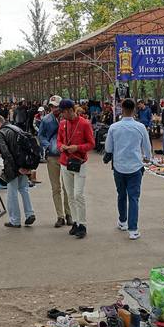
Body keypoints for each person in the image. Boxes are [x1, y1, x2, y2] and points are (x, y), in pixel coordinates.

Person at [104, 98, 152, 240]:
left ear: (121, 109)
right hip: (135, 167)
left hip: (119, 167)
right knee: (134, 198)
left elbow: (108, 148)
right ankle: (133, 229)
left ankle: (122, 221)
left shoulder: (114, 127)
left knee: (121, 194)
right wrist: (147, 158)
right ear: (134, 110)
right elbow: (147, 147)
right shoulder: (140, 127)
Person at [57, 98, 95, 239]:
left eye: (64, 112)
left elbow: (91, 143)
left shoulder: (84, 124)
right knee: (70, 195)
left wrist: (77, 148)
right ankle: (76, 221)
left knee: (78, 194)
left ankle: (83, 224)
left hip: (80, 163)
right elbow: (59, 140)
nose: (62, 115)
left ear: (70, 110)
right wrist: (61, 147)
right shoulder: (62, 124)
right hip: (65, 162)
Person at [0, 115, 36, 229]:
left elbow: (5, 152)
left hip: (13, 167)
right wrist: (24, 166)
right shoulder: (16, 128)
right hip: (24, 164)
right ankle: (30, 213)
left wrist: (15, 168)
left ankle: (15, 220)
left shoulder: (1, 133)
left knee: (12, 193)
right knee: (24, 189)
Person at [38, 95, 72, 228]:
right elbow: (41, 136)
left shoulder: (68, 119)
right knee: (56, 187)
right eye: (52, 106)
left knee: (67, 187)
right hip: (52, 157)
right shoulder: (46, 120)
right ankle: (60, 216)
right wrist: (48, 146)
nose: (54, 109)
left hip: (67, 156)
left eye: (57, 106)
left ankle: (69, 214)